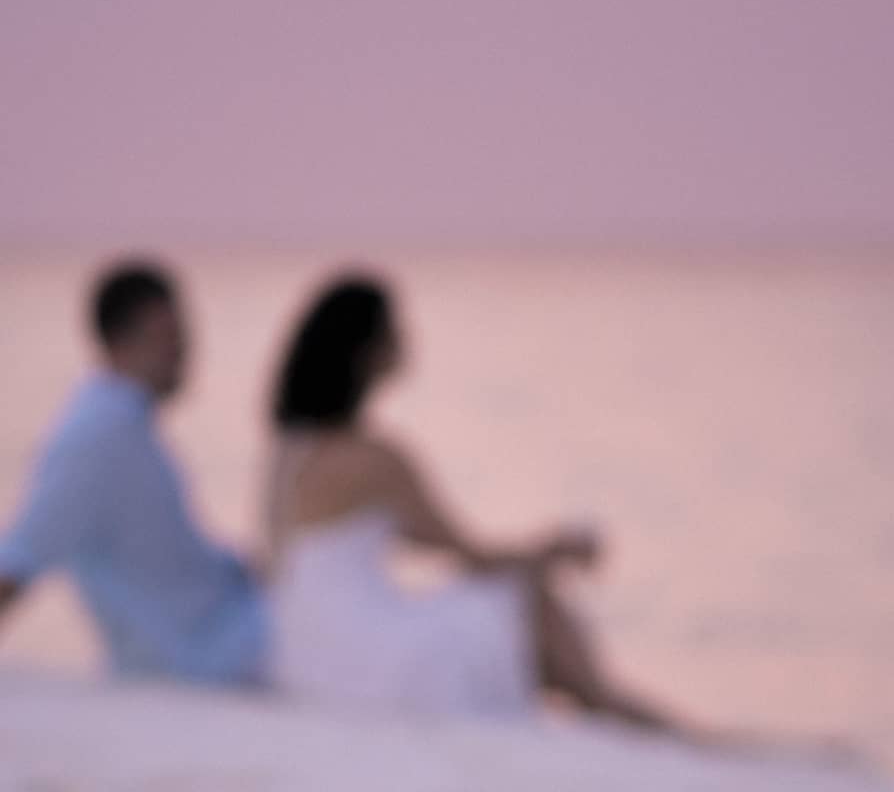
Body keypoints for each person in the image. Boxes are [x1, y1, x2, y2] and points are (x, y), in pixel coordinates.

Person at [265, 274, 682, 728]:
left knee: (500, 606)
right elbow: (472, 557)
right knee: (525, 600)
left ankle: (609, 705)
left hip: (303, 662)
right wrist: (560, 550)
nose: (407, 339)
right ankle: (614, 706)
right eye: (395, 329)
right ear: (367, 351)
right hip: (369, 668)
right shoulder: (376, 459)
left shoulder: (287, 452)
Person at [0, 263, 268, 684]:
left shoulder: (127, 427)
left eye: (183, 338)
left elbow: (172, 559)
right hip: (205, 659)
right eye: (169, 337)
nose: (184, 353)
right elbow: (19, 557)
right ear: (119, 340)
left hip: (227, 630)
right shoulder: (97, 436)